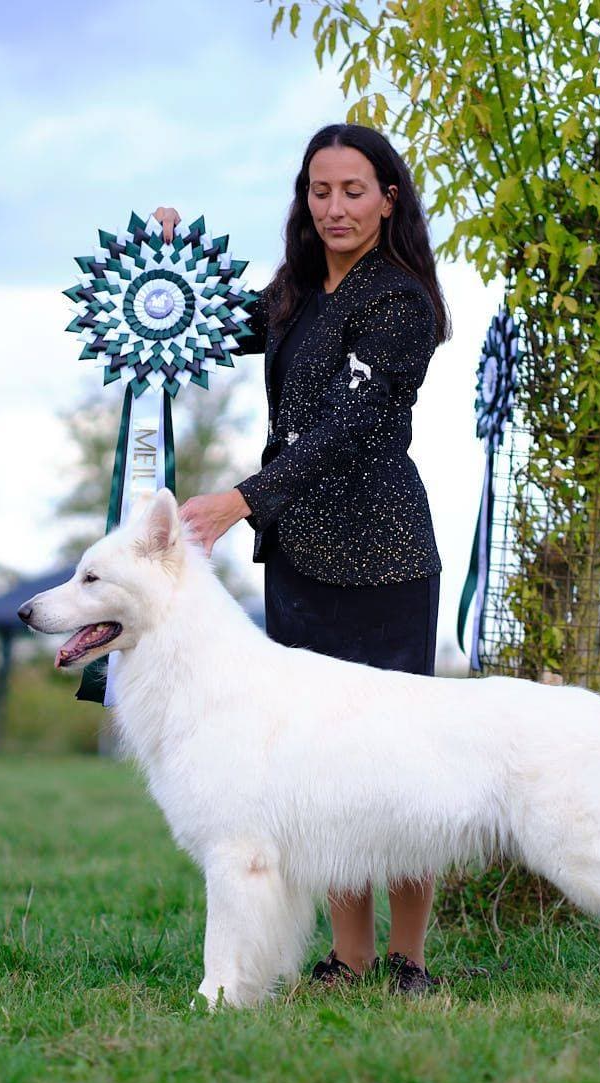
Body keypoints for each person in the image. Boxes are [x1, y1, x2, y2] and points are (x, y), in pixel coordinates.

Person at [157, 122, 451, 995]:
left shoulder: (402, 301)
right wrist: (169, 268)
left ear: (388, 197)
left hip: (385, 561)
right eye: (320, 192)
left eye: (353, 191)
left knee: (397, 762)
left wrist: (243, 496)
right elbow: (207, 324)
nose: (334, 208)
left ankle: (409, 960)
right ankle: (348, 954)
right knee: (320, 769)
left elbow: (350, 430)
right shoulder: (294, 291)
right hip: (299, 560)